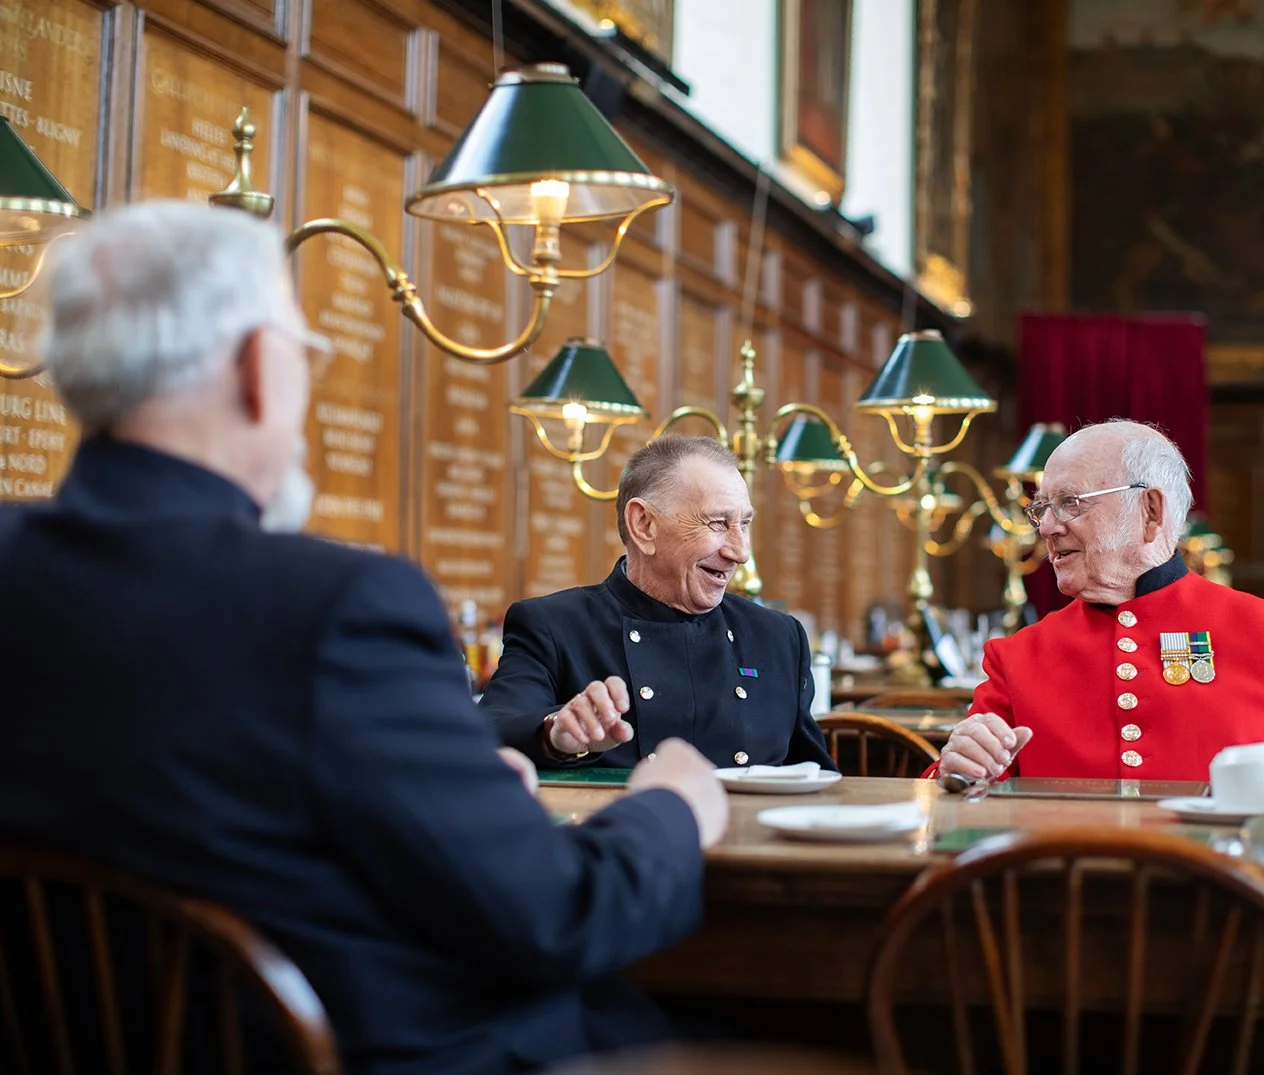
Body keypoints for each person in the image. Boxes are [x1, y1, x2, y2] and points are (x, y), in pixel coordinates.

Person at [0, 201, 729, 1075]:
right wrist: (674, 805)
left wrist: (446, 786)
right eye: (306, 356)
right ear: (261, 368)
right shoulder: (340, 607)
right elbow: (558, 917)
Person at [937, 420, 1264, 786]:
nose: (1046, 526)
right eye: (1042, 508)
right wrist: (958, 768)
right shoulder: (1017, 656)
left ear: (1150, 511)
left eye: (1069, 503)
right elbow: (954, 789)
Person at [482, 436, 835, 773]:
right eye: (717, 523)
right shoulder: (553, 625)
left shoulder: (777, 636)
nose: (740, 552)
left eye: (744, 524)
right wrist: (555, 734)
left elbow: (815, 776)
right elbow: (490, 732)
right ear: (644, 524)